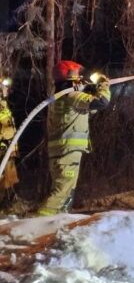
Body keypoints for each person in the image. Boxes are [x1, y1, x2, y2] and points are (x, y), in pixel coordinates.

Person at [37, 60, 110, 216]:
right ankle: (37, 224)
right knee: (61, 192)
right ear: (71, 77)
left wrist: (91, 91)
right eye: (78, 76)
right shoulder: (71, 95)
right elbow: (101, 102)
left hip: (63, 152)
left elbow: (89, 109)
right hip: (67, 152)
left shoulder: (61, 97)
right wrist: (103, 86)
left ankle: (57, 222)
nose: (81, 79)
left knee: (66, 191)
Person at [1, 75, 18, 199]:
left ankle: (8, 201)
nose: (5, 88)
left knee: (10, 178)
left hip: (9, 148)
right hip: (3, 147)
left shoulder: (4, 104)